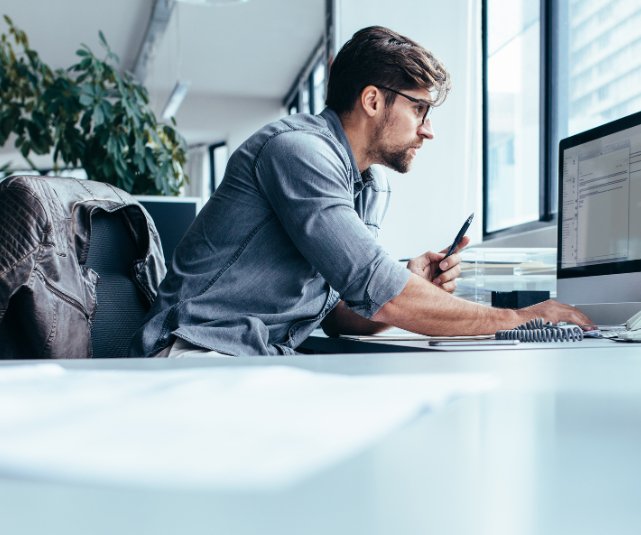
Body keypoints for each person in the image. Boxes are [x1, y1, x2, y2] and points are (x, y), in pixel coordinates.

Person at [128, 26, 591, 358]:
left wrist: (410, 281)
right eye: (420, 109)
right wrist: (522, 321)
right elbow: (381, 290)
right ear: (373, 100)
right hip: (196, 352)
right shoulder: (298, 152)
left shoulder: (369, 183)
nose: (428, 130)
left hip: (259, 358)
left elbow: (336, 314)